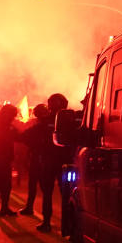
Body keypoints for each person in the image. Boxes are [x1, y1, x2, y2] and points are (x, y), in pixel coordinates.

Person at [37, 93, 71, 233]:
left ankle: (46, 223)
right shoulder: (70, 119)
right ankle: (68, 226)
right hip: (64, 161)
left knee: (48, 193)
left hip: (50, 162)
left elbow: (38, 140)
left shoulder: (46, 121)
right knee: (66, 194)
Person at [18, 103, 49, 215]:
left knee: (35, 185)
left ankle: (31, 208)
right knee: (45, 188)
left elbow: (22, 137)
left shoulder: (37, 127)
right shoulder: (52, 125)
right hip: (47, 159)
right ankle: (32, 209)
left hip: (38, 159)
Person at [0, 104, 19, 216]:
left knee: (6, 184)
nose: (13, 118)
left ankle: (4, 207)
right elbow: (0, 139)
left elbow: (17, 135)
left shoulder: (7, 125)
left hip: (5, 157)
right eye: (12, 115)